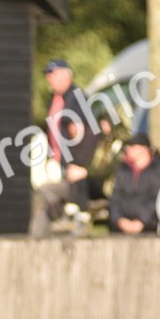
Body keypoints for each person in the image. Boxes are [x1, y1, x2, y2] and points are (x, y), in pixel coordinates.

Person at [29, 59, 101, 236]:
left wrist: (80, 164)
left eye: (53, 74)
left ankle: (66, 218)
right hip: (57, 165)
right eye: (48, 75)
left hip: (74, 169)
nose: (49, 79)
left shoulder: (77, 98)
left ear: (66, 75)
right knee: (42, 201)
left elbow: (92, 132)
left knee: (46, 193)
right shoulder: (55, 99)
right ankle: (36, 240)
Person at [108, 133, 160, 235]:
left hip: (149, 227)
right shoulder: (123, 169)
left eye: (132, 146)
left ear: (143, 148)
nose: (128, 149)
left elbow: (156, 198)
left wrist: (141, 222)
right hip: (121, 227)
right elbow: (116, 197)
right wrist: (119, 220)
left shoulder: (159, 170)